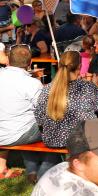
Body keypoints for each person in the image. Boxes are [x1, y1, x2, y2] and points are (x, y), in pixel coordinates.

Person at [0, 45, 55, 181]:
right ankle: (44, 171)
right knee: (55, 127)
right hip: (16, 133)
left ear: (8, 60)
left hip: (5, 132)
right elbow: (46, 111)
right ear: (30, 63)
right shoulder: (30, 83)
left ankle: (31, 169)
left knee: (29, 122)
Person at [35, 50, 98, 150]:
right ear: (79, 66)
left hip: (52, 140)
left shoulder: (48, 88)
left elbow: (39, 116)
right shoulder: (87, 86)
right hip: (82, 140)